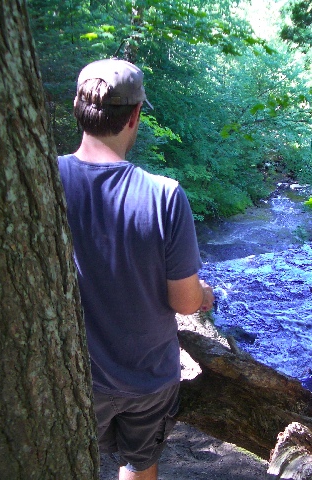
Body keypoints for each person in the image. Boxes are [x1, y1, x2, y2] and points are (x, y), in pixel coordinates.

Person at [58, 58, 214, 480]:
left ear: (78, 109)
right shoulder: (165, 195)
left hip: (73, 374)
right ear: (135, 116)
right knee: (138, 463)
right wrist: (206, 295)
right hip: (148, 381)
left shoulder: (46, 179)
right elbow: (184, 302)